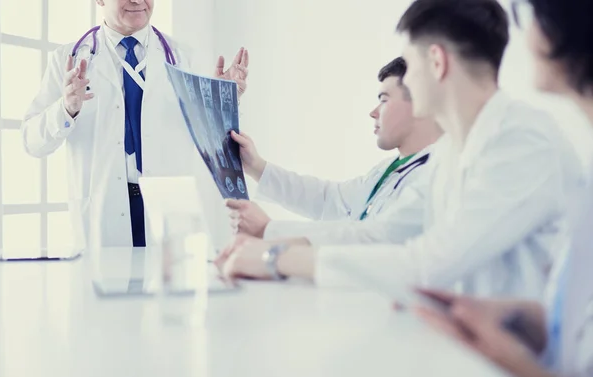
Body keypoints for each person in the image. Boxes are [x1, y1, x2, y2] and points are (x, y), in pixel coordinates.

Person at [216, 0, 581, 300]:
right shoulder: (454, 152)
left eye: (411, 64)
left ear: (437, 62)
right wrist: (272, 243)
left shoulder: (521, 141)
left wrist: (274, 256)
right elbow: (379, 233)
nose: (407, 80)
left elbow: (425, 263)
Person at [415, 0, 593, 376]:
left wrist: (514, 364)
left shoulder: (527, 137)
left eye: (530, 18)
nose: (525, 38)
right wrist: (526, 321)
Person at [21, 0, 249, 249]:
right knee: (106, 284)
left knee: (168, 283)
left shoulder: (183, 58)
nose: (138, 0)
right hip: (103, 211)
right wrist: (66, 108)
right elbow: (32, 142)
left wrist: (224, 101)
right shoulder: (68, 60)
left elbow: (214, 144)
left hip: (167, 210)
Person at [225, 57, 442, 247]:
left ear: (421, 104)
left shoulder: (437, 176)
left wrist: (269, 230)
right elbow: (330, 199)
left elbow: (371, 239)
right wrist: (256, 166)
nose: (373, 112)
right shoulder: (388, 169)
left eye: (384, 100)